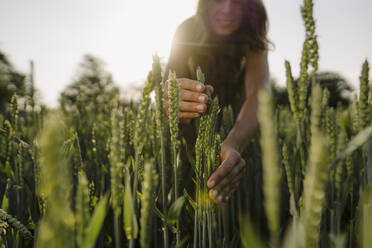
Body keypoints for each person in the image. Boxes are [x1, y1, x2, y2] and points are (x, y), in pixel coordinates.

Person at [163, 0, 270, 204]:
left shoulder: (251, 30)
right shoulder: (186, 30)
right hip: (188, 134)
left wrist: (233, 143)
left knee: (233, 201)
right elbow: (168, 83)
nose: (228, 9)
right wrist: (172, 100)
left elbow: (259, 94)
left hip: (238, 129)